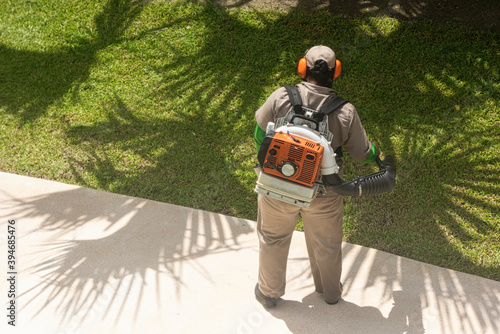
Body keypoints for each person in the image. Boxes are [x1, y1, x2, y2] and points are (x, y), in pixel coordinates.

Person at [253, 45, 379, 308]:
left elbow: (259, 135)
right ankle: (329, 293)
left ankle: (269, 293)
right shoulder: (345, 111)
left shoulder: (281, 97)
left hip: (278, 187)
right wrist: (376, 153)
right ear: (336, 72)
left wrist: (274, 165)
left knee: (273, 239)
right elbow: (361, 154)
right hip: (325, 193)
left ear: (302, 68)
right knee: (327, 244)